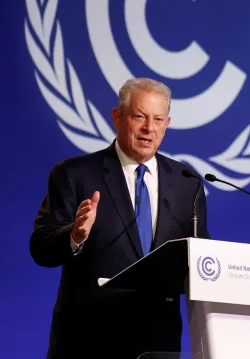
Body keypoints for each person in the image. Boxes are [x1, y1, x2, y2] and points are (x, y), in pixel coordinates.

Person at [30, 78, 209, 359]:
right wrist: (75, 235)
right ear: (117, 117)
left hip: (157, 342)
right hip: (88, 340)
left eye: (158, 119)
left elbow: (201, 257)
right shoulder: (75, 174)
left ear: (167, 123)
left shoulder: (187, 182)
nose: (149, 128)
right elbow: (41, 247)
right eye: (139, 117)